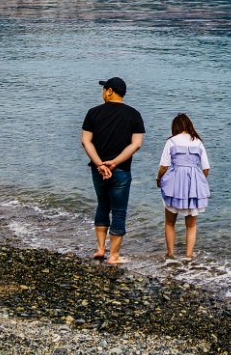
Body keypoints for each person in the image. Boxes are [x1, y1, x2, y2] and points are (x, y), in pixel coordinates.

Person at [81, 77, 145, 265]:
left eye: (104, 89)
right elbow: (136, 145)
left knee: (102, 205)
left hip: (98, 170)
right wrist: (114, 163)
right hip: (121, 170)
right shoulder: (134, 114)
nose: (102, 93)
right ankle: (114, 256)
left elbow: (86, 141)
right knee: (118, 212)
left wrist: (100, 164)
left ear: (109, 91)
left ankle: (100, 249)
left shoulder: (93, 112)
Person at [156, 113, 210, 261]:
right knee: (191, 226)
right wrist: (198, 181)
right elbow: (206, 168)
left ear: (175, 127)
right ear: (189, 126)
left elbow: (164, 166)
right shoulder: (198, 142)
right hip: (193, 185)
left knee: (169, 222)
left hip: (174, 185)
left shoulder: (171, 142)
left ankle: (170, 254)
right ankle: (188, 256)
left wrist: (159, 179)